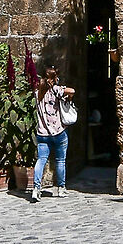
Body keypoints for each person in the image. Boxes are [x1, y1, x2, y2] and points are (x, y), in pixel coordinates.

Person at [30, 66, 74, 202]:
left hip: (42, 133)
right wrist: (58, 85)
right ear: (54, 78)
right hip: (59, 132)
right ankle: (61, 188)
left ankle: (36, 188)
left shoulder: (37, 92)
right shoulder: (56, 90)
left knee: (41, 160)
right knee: (60, 161)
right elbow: (72, 91)